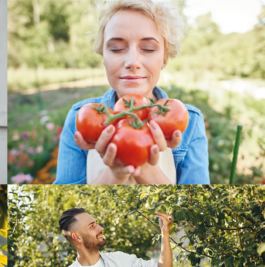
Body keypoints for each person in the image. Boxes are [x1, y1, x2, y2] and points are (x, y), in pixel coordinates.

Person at [54, 0, 208, 184]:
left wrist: (145, 168)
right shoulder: (79, 117)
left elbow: (184, 208)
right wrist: (115, 174)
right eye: (116, 49)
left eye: (148, 49)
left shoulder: (190, 122)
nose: (132, 62)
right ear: (103, 56)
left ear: (164, 59)